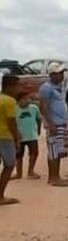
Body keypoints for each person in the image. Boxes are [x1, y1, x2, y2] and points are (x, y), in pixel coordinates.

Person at [38, 64, 68, 187]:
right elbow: (43, 107)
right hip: (54, 124)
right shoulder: (46, 88)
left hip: (61, 123)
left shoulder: (59, 87)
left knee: (58, 151)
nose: (62, 75)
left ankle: (56, 176)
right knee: (53, 151)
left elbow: (64, 105)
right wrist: (51, 123)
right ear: (52, 74)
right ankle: (53, 177)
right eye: (59, 73)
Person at [0, 76, 19, 205]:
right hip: (5, 136)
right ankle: (0, 196)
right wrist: (17, 138)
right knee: (9, 165)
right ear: (9, 86)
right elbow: (11, 121)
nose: (18, 89)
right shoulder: (10, 101)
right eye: (17, 86)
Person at [14, 91, 41, 180]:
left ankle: (31, 171)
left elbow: (38, 119)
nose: (27, 101)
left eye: (29, 98)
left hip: (32, 135)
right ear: (18, 101)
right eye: (24, 99)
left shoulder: (34, 108)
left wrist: (38, 130)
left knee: (34, 153)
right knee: (18, 155)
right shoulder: (14, 109)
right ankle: (18, 173)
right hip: (19, 137)